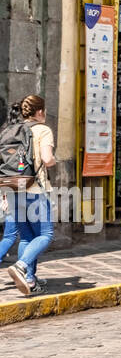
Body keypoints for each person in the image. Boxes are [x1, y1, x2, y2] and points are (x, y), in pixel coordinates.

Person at [6, 95, 56, 296]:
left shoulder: (12, 130)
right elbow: (47, 158)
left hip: (12, 190)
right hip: (34, 190)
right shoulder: (43, 130)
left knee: (27, 237)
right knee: (46, 234)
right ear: (40, 112)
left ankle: (29, 279)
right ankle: (21, 266)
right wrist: (53, 161)